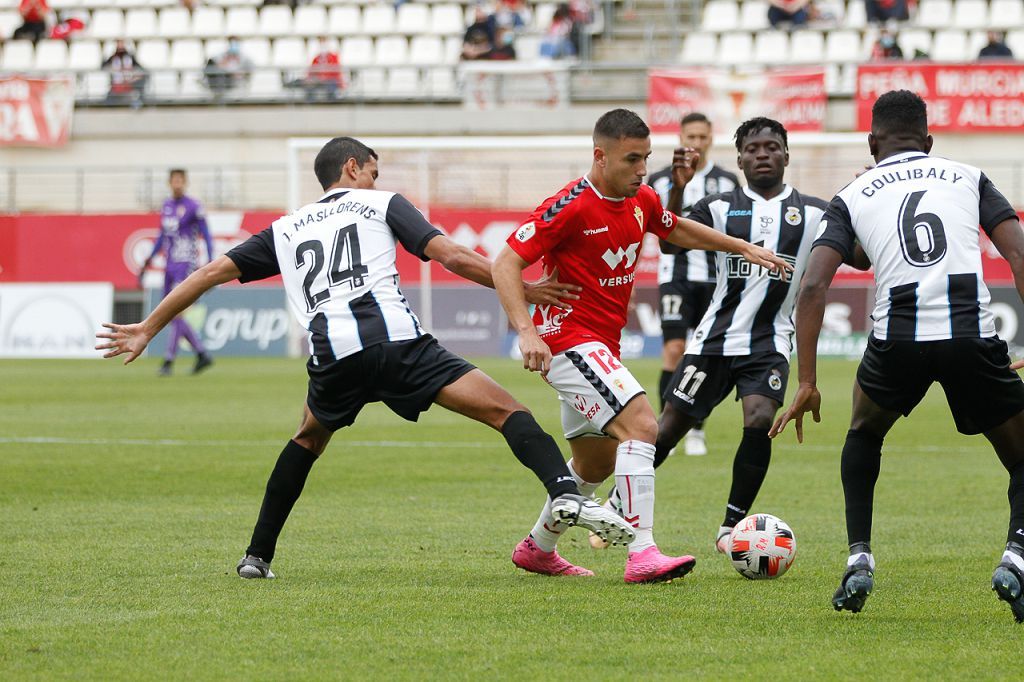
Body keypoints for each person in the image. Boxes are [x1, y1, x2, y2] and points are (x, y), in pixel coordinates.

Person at [98, 137, 635, 580]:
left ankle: (256, 557)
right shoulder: (381, 203)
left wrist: (148, 327)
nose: (376, 181)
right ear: (352, 167)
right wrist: (519, 285)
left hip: (333, 358)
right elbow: (449, 255)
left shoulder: (284, 230)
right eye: (372, 171)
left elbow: (207, 273)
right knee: (506, 411)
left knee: (306, 439)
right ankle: (565, 492)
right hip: (399, 344)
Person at [491, 109, 792, 582]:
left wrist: (740, 247)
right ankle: (642, 552)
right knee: (643, 427)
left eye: (645, 158)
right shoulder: (569, 205)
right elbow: (505, 262)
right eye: (632, 159)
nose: (640, 169)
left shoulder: (641, 198)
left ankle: (538, 547)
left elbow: (675, 228)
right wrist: (526, 331)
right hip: (567, 342)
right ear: (600, 155)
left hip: (601, 348)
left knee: (594, 464)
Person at [771, 90, 1024, 623]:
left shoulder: (854, 191)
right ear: (929, 143)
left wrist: (808, 380)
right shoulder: (968, 175)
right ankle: (1016, 557)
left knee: (864, 434)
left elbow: (813, 285)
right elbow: (1019, 252)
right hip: (970, 339)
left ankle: (858, 558)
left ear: (871, 142)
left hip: (897, 342)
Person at [625, 117, 827, 559]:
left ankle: (733, 525)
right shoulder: (719, 207)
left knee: (758, 420)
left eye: (771, 147)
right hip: (712, 341)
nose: (762, 155)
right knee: (669, 427)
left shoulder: (814, 212)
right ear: (739, 159)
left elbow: (859, 254)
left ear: (786, 156)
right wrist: (678, 189)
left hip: (769, 342)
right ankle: (620, 512)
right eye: (752, 149)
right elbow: (673, 243)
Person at [647, 112, 739, 457]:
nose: (697, 144)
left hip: (715, 281)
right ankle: (664, 426)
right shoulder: (659, 181)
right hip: (675, 276)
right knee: (673, 350)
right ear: (681, 138)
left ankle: (697, 429)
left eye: (703, 137)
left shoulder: (728, 182)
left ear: (711, 139)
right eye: (691, 137)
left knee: (704, 355)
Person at [138, 169, 215, 376]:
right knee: (171, 313)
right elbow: (162, 237)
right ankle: (201, 353)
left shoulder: (194, 206)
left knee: (177, 311)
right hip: (169, 265)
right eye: (174, 180)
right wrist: (148, 262)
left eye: (181, 180)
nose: (177, 184)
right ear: (170, 183)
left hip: (186, 264)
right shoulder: (167, 206)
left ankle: (168, 361)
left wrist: (210, 261)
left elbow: (206, 235)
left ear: (185, 182)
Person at [101, 40, 147, 105]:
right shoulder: (113, 57)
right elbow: (103, 66)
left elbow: (140, 69)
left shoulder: (130, 57)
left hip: (129, 84)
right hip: (116, 86)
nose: (120, 47)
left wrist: (134, 77)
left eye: (122, 45)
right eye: (119, 45)